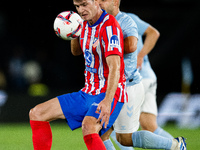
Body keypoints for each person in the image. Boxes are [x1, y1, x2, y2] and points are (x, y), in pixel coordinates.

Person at [29, 0, 127, 150]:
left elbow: (115, 67)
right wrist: (73, 32)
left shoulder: (109, 26)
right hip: (87, 92)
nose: (81, 10)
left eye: (84, 4)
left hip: (110, 93)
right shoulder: (84, 24)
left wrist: (107, 101)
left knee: (88, 127)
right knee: (37, 113)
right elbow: (76, 52)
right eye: (77, 6)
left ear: (96, 2)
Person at [99, 0, 187, 150]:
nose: (99, 4)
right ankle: (178, 146)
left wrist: (140, 55)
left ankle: (176, 146)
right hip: (146, 78)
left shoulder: (126, 19)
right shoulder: (120, 20)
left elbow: (154, 33)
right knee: (149, 127)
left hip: (134, 80)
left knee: (112, 130)